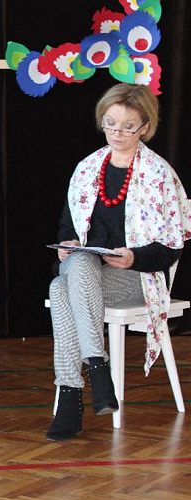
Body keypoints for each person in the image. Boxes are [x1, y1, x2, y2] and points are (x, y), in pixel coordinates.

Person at [47, 83, 191, 441]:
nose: (117, 133)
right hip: (86, 273)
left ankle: (72, 396)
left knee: (60, 288)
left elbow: (172, 248)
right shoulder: (87, 169)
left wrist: (134, 257)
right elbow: (68, 228)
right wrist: (68, 245)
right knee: (79, 266)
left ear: (145, 127)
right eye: (110, 123)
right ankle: (98, 369)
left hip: (136, 278)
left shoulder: (158, 174)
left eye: (128, 126)